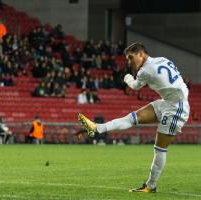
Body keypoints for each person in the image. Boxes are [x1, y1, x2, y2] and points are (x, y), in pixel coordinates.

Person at [78, 43, 190, 193]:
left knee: (160, 149)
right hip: (167, 102)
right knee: (131, 118)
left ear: (141, 54)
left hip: (176, 108)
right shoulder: (163, 59)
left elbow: (135, 86)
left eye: (131, 57)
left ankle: (151, 186)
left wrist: (127, 78)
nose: (129, 62)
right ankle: (97, 127)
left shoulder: (145, 71)